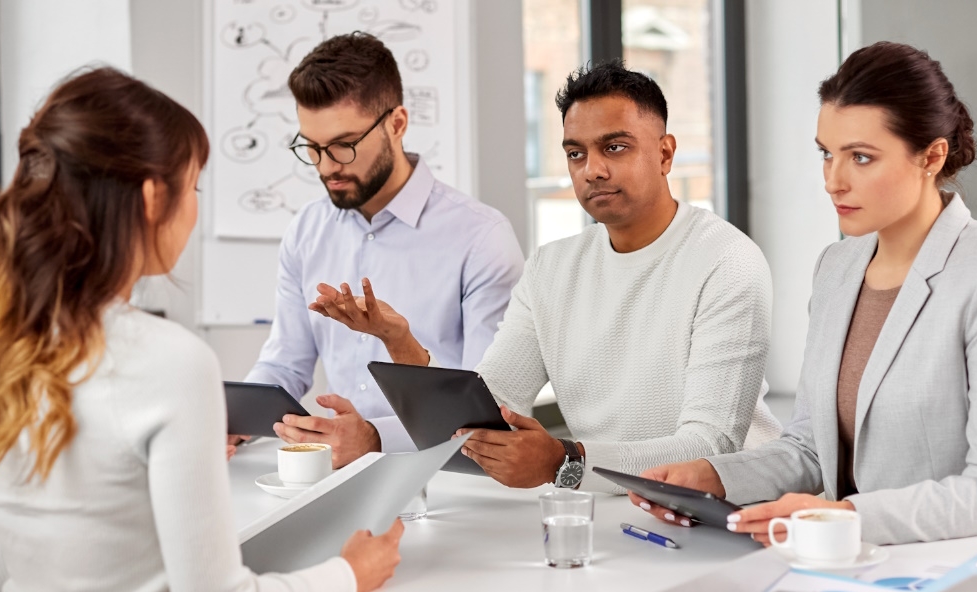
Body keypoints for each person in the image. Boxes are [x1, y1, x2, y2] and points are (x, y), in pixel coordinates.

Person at [0, 67, 403, 592]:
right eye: (193, 187)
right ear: (150, 197)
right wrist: (350, 572)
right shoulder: (169, 361)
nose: (193, 209)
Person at [631, 41, 977, 545]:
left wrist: (843, 516)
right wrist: (714, 478)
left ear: (932, 156)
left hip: (965, 569)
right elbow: (811, 447)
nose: (834, 180)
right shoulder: (837, 268)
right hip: (844, 561)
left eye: (861, 157)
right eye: (827, 154)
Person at [312, 60, 781, 492]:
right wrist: (402, 344)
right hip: (611, 504)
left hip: (727, 512)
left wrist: (566, 461)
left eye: (615, 147)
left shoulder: (726, 261)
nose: (593, 170)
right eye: (576, 154)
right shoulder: (551, 268)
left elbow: (710, 446)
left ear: (664, 153)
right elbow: (487, 412)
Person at [234, 32, 524, 466]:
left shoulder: (481, 238)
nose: (327, 166)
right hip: (336, 476)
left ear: (397, 124)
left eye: (343, 146)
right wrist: (233, 421)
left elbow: (492, 405)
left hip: (451, 480)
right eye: (311, 148)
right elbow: (285, 365)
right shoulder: (307, 231)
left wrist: (376, 437)